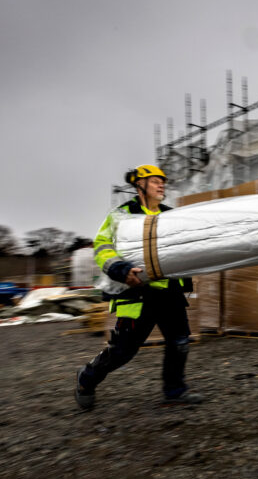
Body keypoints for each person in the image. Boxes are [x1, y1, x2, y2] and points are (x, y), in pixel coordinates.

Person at [75, 164, 202, 409]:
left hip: (170, 291)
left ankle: (174, 391)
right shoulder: (122, 215)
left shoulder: (170, 215)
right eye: (155, 180)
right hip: (137, 293)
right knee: (123, 351)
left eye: (162, 181)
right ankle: (86, 379)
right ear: (139, 185)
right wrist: (120, 270)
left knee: (179, 342)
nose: (161, 184)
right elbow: (102, 246)